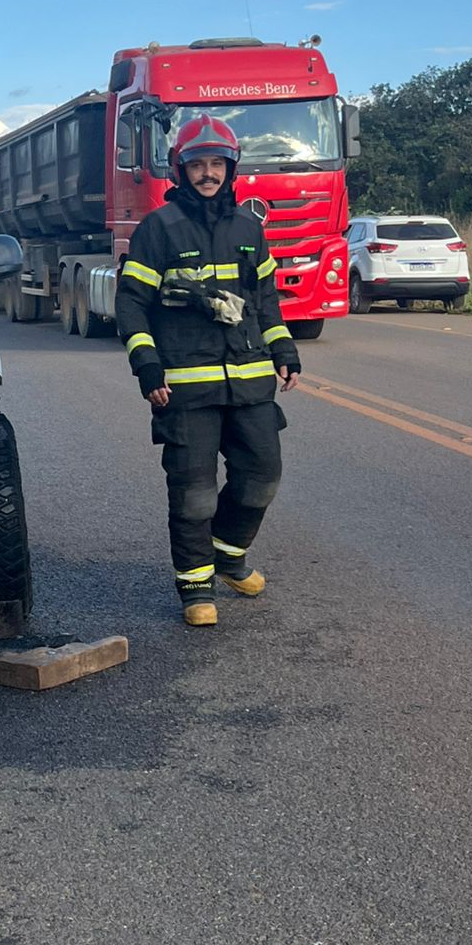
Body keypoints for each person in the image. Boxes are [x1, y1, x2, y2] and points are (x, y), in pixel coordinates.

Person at [115, 114, 300, 626]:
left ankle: (229, 555)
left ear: (231, 169)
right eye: (198, 165)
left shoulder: (249, 228)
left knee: (262, 477)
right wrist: (147, 366)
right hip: (185, 389)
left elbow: (265, 301)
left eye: (217, 164)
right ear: (182, 170)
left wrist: (284, 350)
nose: (208, 174)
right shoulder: (159, 229)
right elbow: (131, 304)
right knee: (194, 494)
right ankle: (196, 588)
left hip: (250, 382)